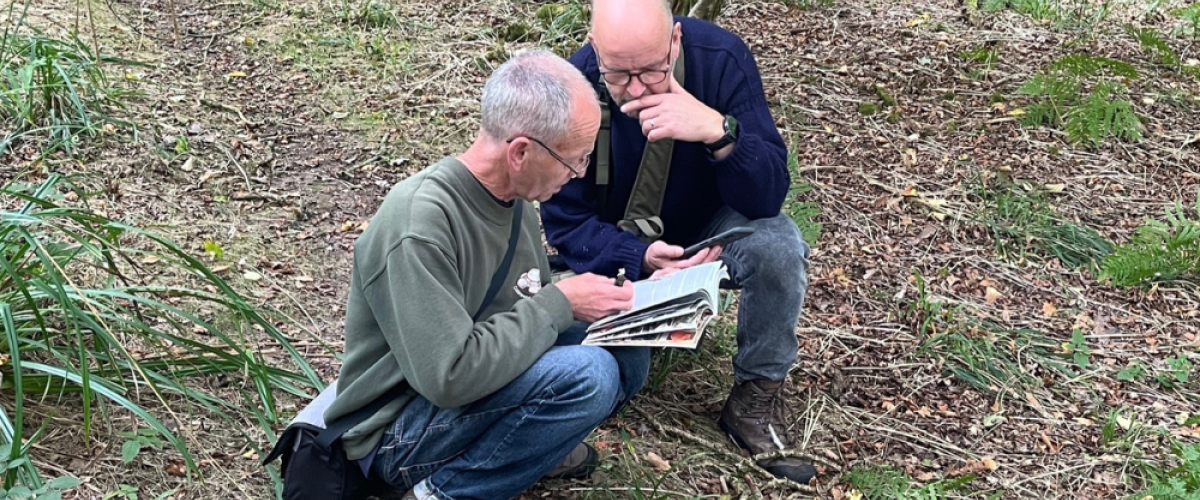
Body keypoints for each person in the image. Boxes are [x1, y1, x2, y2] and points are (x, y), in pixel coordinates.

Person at [321, 49, 650, 500]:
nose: (577, 176)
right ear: (520, 151)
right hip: (392, 428)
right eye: (574, 161)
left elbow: (513, 308)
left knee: (625, 347)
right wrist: (561, 302)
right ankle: (442, 492)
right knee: (588, 374)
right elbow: (450, 376)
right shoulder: (419, 225)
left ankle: (532, 445)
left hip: (462, 389)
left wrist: (603, 303)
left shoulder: (513, 200)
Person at [540, 0, 817, 485]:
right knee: (615, 368)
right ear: (595, 47)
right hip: (618, 248)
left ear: (675, 40)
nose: (637, 88)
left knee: (778, 246)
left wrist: (718, 132)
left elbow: (769, 193)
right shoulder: (573, 84)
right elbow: (565, 223)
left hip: (710, 231)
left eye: (651, 70)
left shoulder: (721, 59)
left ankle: (755, 397)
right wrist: (639, 256)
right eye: (619, 75)